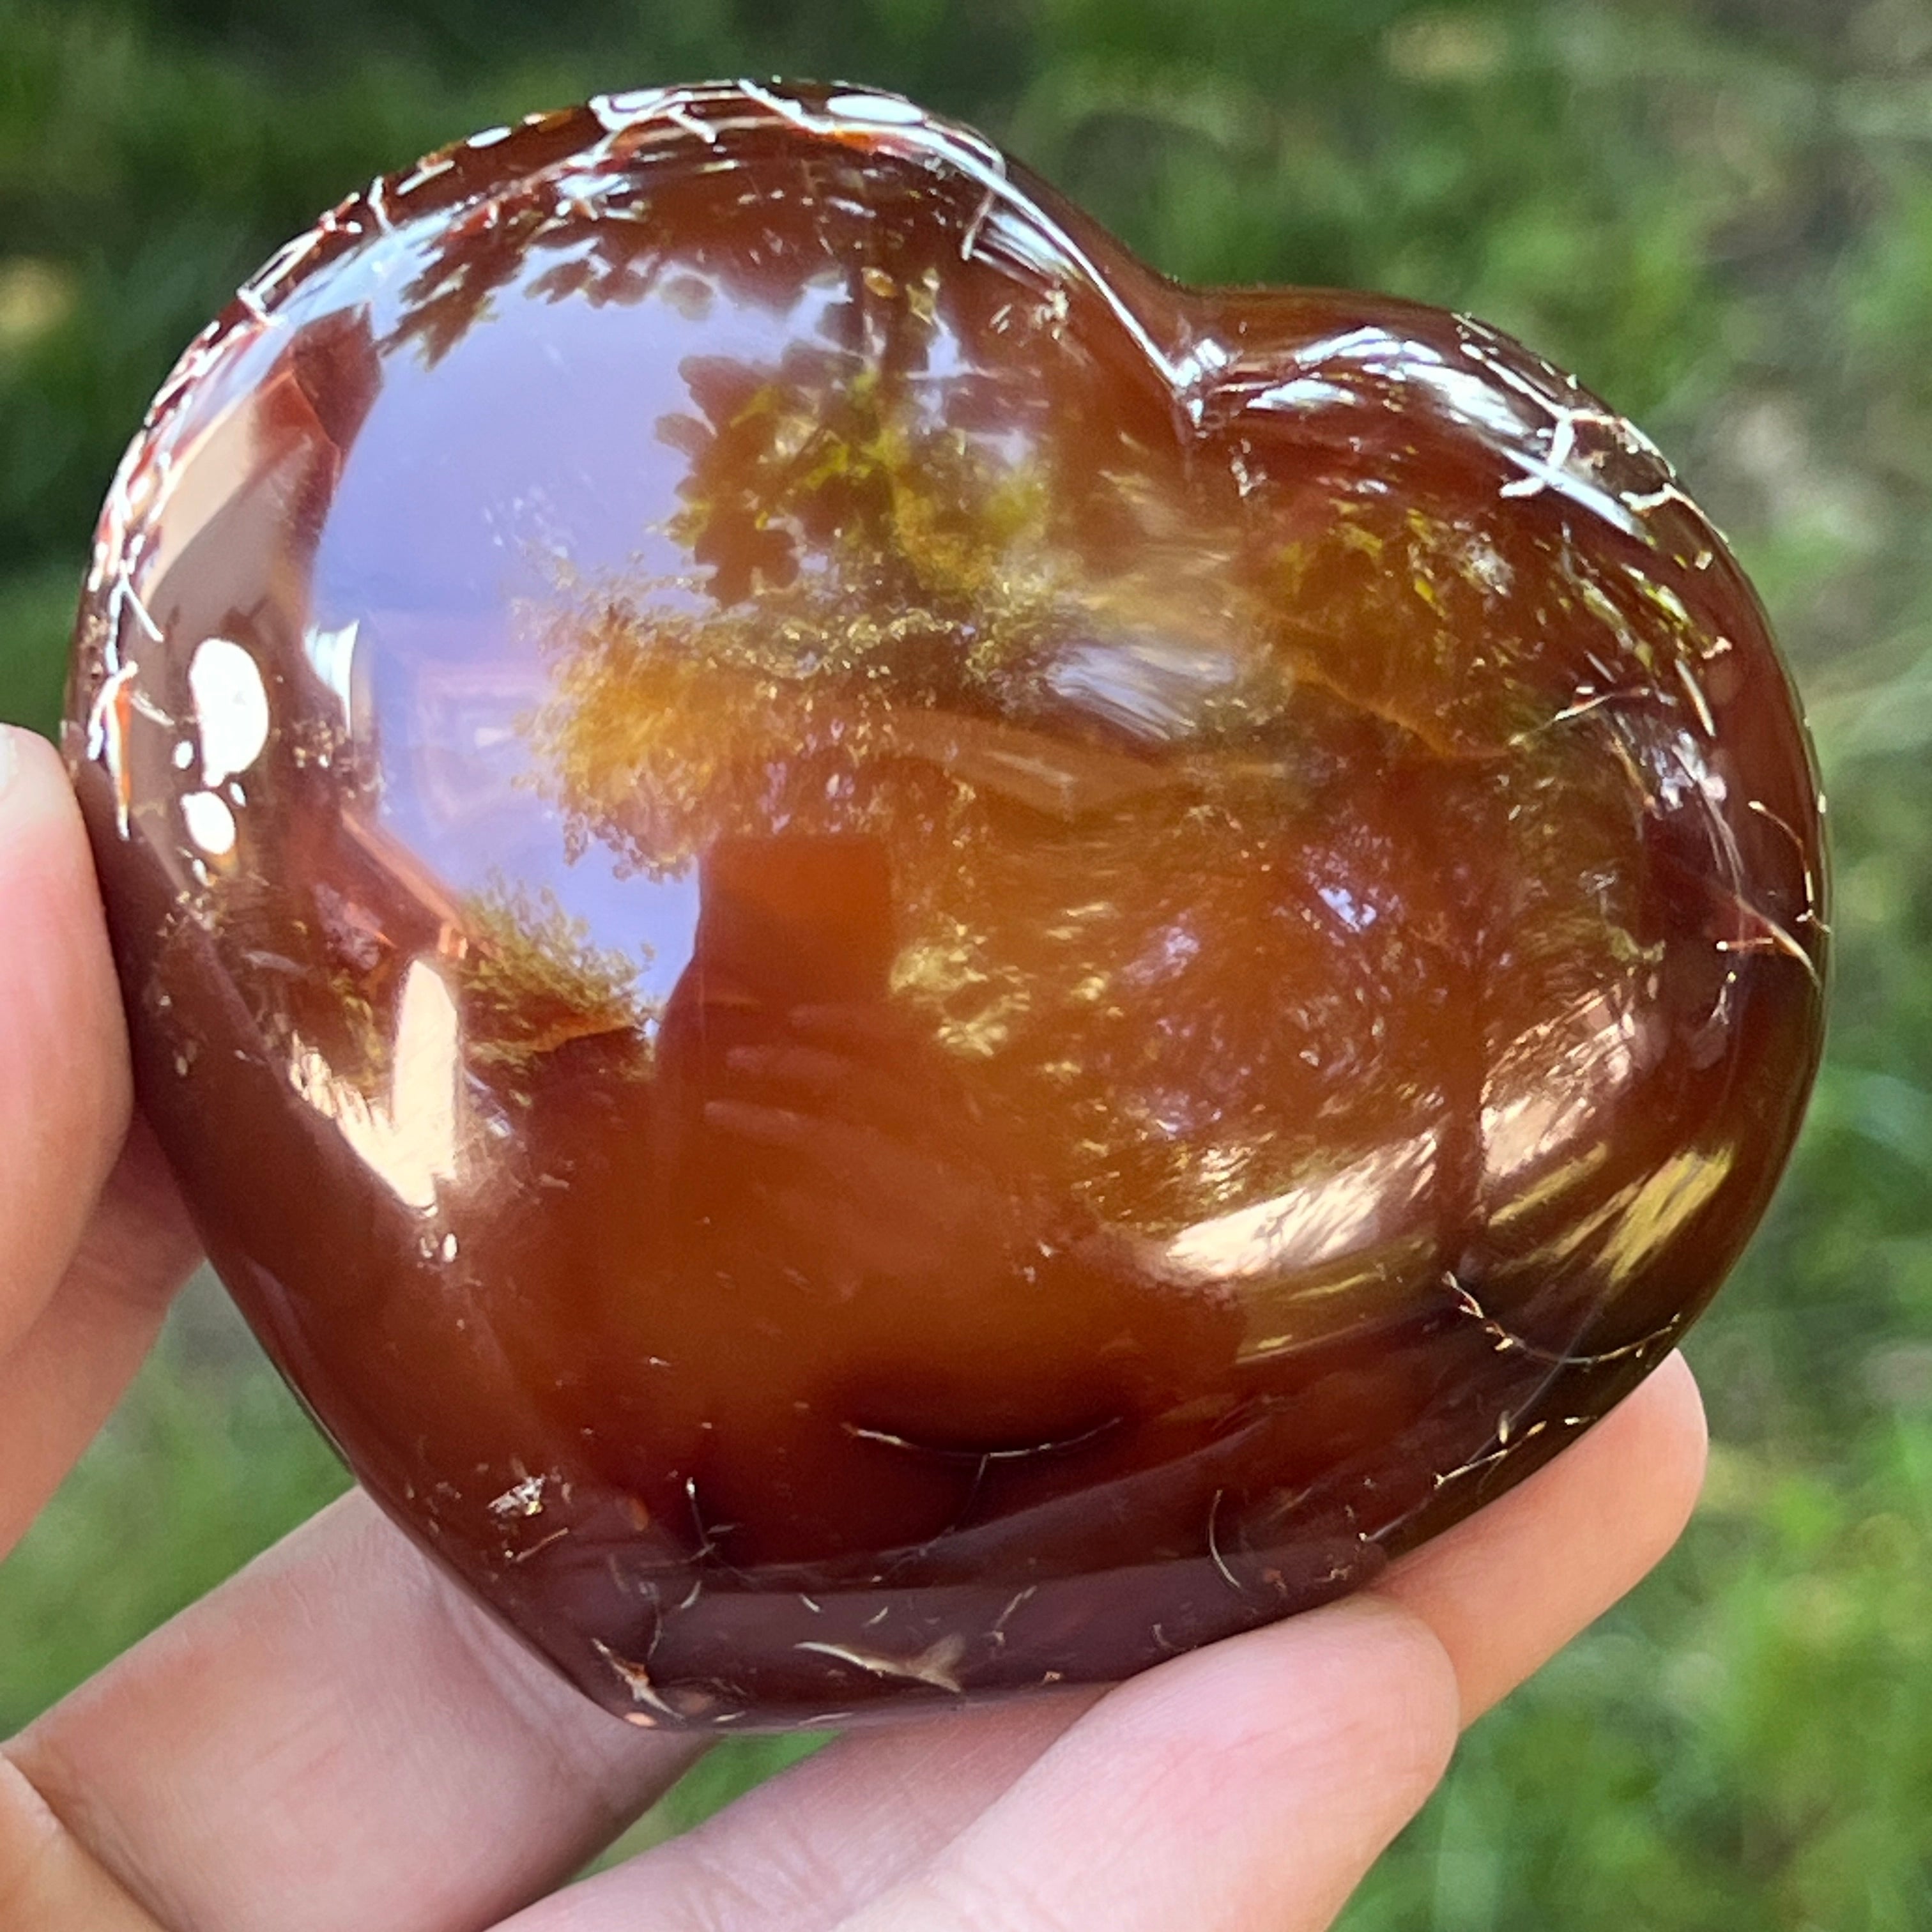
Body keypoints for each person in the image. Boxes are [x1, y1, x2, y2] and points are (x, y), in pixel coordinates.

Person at [0, 721, 1708, 1931]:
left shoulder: (985, 1183)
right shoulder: (595, 1120)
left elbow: (1145, 1361)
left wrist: (1003, 1289)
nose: (768, 1015)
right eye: (734, 976)